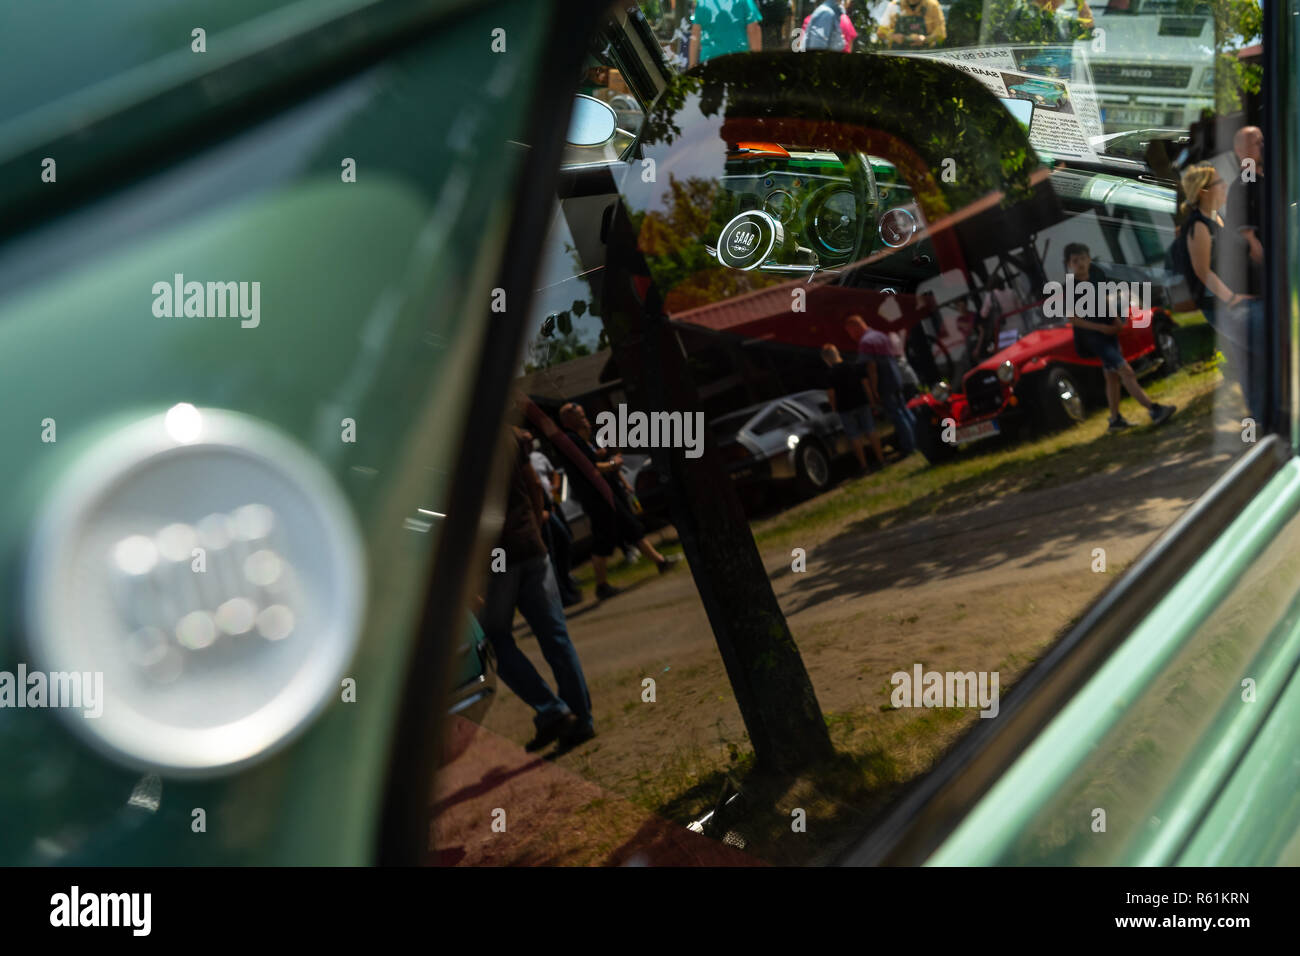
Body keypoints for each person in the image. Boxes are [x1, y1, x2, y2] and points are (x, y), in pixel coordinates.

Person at [480, 427, 595, 752]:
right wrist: (534, 526)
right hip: (531, 546)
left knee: (494, 641)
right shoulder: (506, 435)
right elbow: (533, 484)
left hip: (495, 559)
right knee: (555, 636)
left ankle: (553, 711)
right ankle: (578, 720)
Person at [558, 402, 679, 599]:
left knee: (630, 526)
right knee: (603, 539)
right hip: (596, 497)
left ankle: (660, 562)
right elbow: (593, 467)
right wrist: (614, 463)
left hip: (605, 492)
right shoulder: (570, 440)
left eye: (583, 413)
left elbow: (594, 458)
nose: (584, 417)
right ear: (567, 420)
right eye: (579, 415)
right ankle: (601, 585)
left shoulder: (580, 438)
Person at [1063, 243, 1175, 432]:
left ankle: (1114, 420)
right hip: (1093, 337)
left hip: (1108, 332)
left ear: (1089, 259)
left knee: (1112, 377)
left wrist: (1115, 322)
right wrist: (1100, 328)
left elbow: (1105, 302)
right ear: (1069, 264)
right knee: (1126, 371)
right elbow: (1073, 319)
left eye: (1083, 258)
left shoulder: (1097, 278)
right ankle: (1153, 409)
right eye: (1075, 260)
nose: (1080, 263)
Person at [1220, 128, 1267, 422]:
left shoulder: (1260, 175)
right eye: (1255, 141)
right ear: (1240, 149)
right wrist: (1253, 241)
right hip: (1258, 276)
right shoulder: (1246, 179)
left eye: (1262, 140)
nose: (1261, 145)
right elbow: (1241, 216)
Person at [1173, 165, 1252, 331]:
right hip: (1223, 305)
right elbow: (1203, 271)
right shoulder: (1199, 225)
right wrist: (1232, 299)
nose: (1225, 186)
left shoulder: (1217, 217)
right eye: (1219, 182)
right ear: (1203, 191)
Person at [844, 314, 917, 457]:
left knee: (897, 414)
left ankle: (909, 445)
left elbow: (871, 368)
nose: (850, 335)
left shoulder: (865, 342)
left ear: (856, 327)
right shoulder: (880, 335)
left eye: (850, 331)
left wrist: (874, 390)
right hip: (896, 377)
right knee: (905, 410)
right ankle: (918, 439)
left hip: (885, 382)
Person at [529, 435, 582, 607]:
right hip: (538, 514)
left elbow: (552, 475)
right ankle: (561, 595)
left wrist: (554, 491)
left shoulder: (537, 458)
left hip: (550, 507)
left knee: (564, 541)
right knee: (548, 554)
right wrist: (538, 511)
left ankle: (566, 581)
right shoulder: (515, 465)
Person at [822, 343, 884, 473]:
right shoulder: (853, 366)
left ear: (827, 359)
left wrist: (833, 408)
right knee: (870, 430)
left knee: (854, 436)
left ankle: (864, 466)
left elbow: (831, 394)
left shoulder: (830, 374)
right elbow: (865, 384)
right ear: (837, 353)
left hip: (845, 407)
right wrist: (872, 401)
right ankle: (881, 459)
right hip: (861, 402)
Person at [689, 0, 762, 67]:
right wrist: (757, 63)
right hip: (738, 62)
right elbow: (754, 30)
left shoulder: (702, 2)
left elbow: (695, 35)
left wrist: (691, 65)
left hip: (709, 63)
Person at [879, 0, 945, 48]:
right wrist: (893, 37)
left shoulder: (932, 5)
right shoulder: (894, 5)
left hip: (925, 56)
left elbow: (941, 33)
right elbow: (881, 32)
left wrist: (925, 39)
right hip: (898, 54)